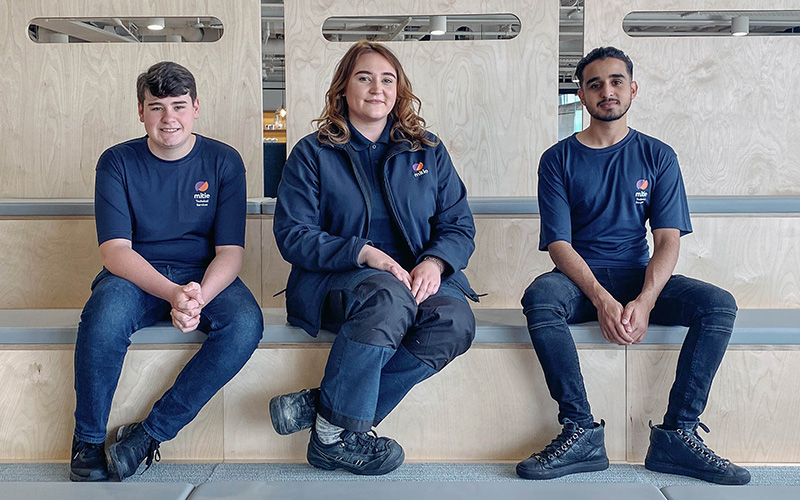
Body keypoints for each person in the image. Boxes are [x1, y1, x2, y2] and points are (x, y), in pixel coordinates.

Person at [516, 47, 750, 485]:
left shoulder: (658, 156)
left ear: (633, 88)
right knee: (539, 297)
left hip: (636, 275)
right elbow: (559, 245)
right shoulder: (558, 158)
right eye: (595, 84)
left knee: (718, 305)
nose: (607, 91)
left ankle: (678, 435)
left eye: (616, 81)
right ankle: (580, 430)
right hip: (578, 280)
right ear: (582, 96)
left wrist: (644, 300)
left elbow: (666, 240)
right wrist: (603, 300)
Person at [270, 40, 478, 476]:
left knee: (455, 322)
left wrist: (435, 263)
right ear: (344, 88)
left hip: (416, 280)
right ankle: (331, 439)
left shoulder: (427, 150)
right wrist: (363, 253)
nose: (377, 88)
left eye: (388, 80)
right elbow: (293, 235)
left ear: (399, 91)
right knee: (388, 297)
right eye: (364, 77)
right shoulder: (312, 153)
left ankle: (327, 411)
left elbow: (458, 224)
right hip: (337, 282)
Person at [69, 61, 263, 482]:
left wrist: (196, 298)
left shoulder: (224, 161)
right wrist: (173, 293)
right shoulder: (117, 162)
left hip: (203, 274)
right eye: (157, 107)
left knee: (246, 323)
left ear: (196, 107)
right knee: (103, 317)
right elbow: (115, 252)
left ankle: (149, 435)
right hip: (136, 273)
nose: (169, 118)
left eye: (178, 106)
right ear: (141, 112)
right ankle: (86, 439)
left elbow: (230, 253)